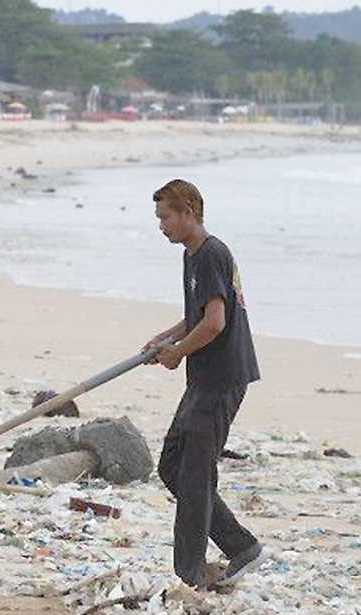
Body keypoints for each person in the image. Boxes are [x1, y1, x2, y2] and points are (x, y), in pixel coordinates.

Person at [144, 179, 266, 590]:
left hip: (222, 378)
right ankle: (242, 546)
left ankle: (188, 577)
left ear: (189, 211)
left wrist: (178, 353)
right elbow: (197, 317)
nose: (161, 225)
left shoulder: (212, 253)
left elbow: (216, 323)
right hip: (203, 379)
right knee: (173, 468)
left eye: (166, 217)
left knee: (195, 475)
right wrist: (167, 337)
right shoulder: (191, 256)